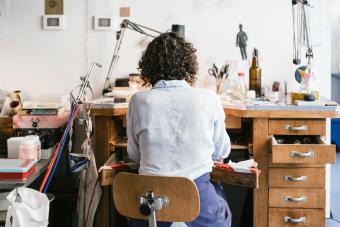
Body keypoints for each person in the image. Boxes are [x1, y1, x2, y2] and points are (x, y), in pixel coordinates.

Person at [127, 32, 232, 227]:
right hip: (200, 211)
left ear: (149, 66)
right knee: (220, 198)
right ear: (188, 65)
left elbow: (134, 155)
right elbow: (221, 152)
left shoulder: (138, 101)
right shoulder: (209, 98)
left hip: (152, 212)